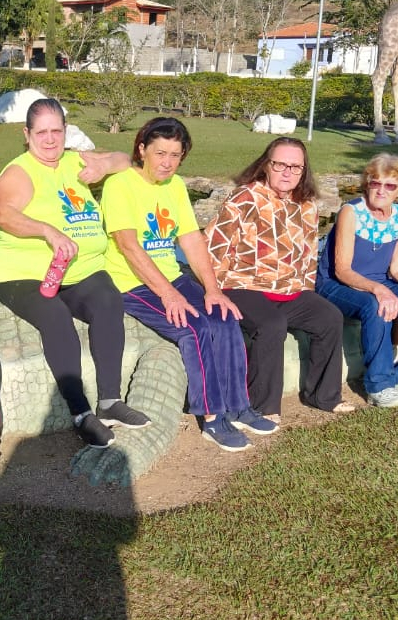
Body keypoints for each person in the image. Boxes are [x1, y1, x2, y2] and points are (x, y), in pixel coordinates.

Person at [102, 117, 277, 452]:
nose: (167, 163)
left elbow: (192, 239)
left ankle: (238, 406)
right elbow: (128, 246)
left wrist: (212, 289)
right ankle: (212, 417)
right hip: (131, 283)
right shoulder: (119, 185)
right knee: (194, 329)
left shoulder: (176, 186)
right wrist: (169, 295)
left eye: (175, 155)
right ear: (142, 149)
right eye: (160, 153)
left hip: (171, 274)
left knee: (224, 316)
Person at [0, 97, 151, 449]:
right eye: (41, 132)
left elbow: (124, 160)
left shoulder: (74, 160)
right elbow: (4, 214)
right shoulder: (20, 171)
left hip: (77, 268)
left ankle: (110, 401)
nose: (50, 139)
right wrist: (47, 230)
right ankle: (81, 413)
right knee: (56, 316)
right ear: (27, 134)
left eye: (56, 131)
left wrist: (103, 165)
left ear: (66, 131)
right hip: (25, 272)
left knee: (108, 301)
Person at [205, 137, 352, 423]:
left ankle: (324, 396)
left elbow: (308, 255)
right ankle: (262, 406)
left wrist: (307, 289)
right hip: (242, 285)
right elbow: (214, 248)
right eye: (280, 164)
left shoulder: (307, 205)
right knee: (271, 324)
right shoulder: (243, 198)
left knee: (329, 317)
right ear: (266, 165)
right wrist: (215, 290)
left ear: (304, 170)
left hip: (289, 289)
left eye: (295, 167)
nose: (287, 172)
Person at [316, 154, 398, 407]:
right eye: (376, 183)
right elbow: (342, 270)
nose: (381, 190)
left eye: (390, 185)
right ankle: (379, 384)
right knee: (375, 305)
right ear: (368, 183)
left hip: (379, 282)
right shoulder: (351, 212)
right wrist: (378, 289)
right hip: (336, 285)